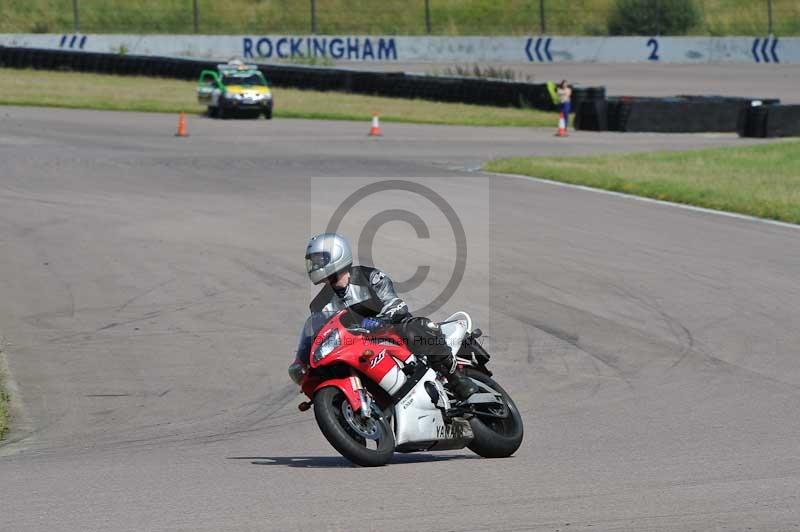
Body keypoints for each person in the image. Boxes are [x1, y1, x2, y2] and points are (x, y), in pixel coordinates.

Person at [289, 232, 478, 400]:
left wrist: (379, 322)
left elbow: (395, 303)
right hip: (356, 347)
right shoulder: (319, 304)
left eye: (318, 260)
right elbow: (319, 334)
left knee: (415, 327)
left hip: (390, 331)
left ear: (337, 254)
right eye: (311, 261)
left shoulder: (368, 277)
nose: (314, 265)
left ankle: (456, 378)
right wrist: (303, 363)